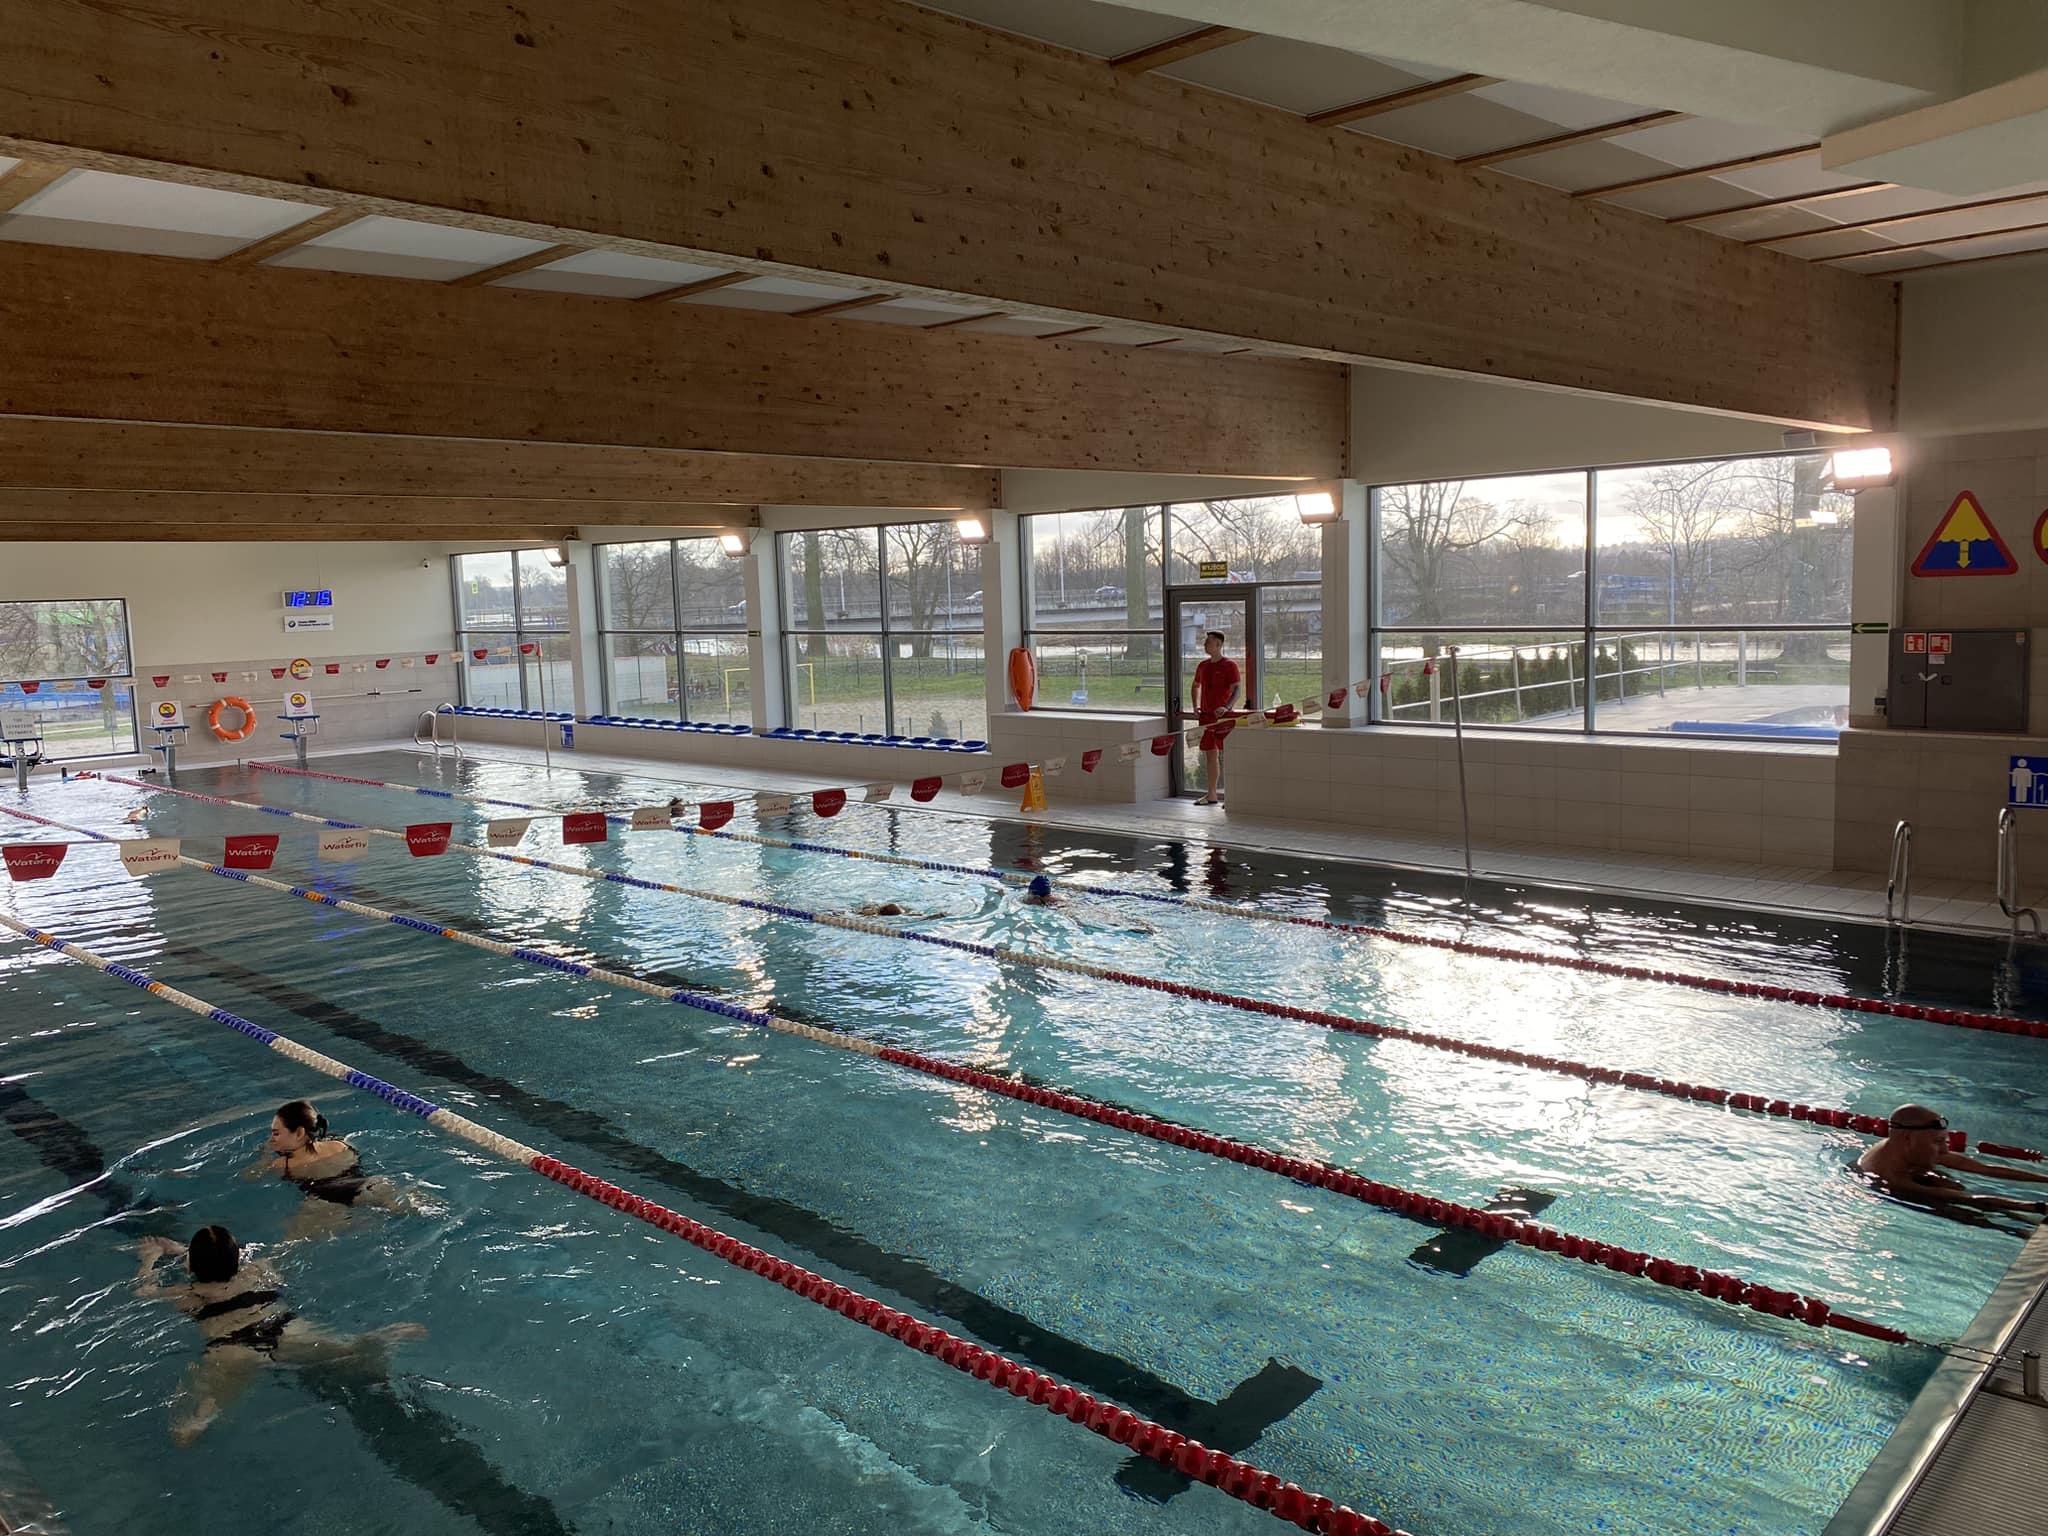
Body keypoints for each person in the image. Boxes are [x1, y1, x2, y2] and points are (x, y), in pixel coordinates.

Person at [133, 1225, 424, 1443]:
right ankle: (368, 1343)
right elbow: (222, 1262)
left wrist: (150, 1259)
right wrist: (185, 1250)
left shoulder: (186, 1294)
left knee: (212, 1401)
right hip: (282, 1327)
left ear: (192, 1265)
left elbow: (143, 1292)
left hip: (231, 1347)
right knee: (342, 1350)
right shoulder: (258, 1270)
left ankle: (198, 1422)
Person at [1856, 1105, 2048, 1216]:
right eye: (1938, 1142)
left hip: (1913, 1170)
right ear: (1908, 1139)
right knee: (1963, 1212)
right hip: (1894, 1190)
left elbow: (1985, 1169)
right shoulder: (1890, 1174)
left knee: (1952, 1184)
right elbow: (1968, 1199)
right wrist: (2035, 1207)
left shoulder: (1912, 1146)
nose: (1945, 1149)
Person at [258, 1100, 413, 1231]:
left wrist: (264, 1155)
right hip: (368, 1185)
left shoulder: (282, 1165)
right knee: (414, 1207)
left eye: (276, 1133)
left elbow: (250, 1177)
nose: (271, 1139)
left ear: (299, 1133)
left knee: (288, 1241)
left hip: (324, 1204)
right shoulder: (341, 1145)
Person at [1190, 630, 1242, 806]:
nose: (1205, 645)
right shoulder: (1203, 666)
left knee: (1228, 755)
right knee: (1210, 755)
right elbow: (1196, 685)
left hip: (1222, 718)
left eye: (1208, 642)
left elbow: (1237, 690)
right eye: (1205, 642)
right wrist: (1195, 706)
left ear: (1218, 645)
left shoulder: (1229, 665)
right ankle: (1211, 794)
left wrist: (1227, 707)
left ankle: (1233, 796)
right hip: (1205, 717)